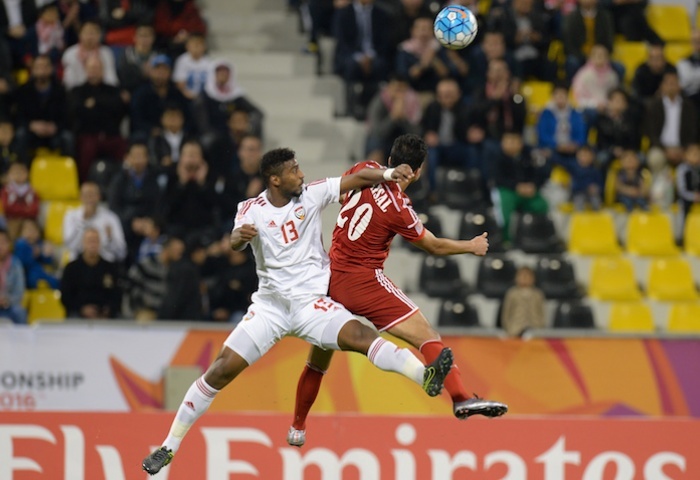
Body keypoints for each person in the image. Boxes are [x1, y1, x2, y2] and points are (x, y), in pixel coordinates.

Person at [141, 146, 455, 475]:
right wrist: (238, 237)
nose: (301, 174)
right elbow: (235, 240)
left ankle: (424, 376)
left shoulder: (312, 194)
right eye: (293, 170)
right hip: (270, 309)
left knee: (362, 336)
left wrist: (389, 173)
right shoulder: (250, 209)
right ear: (275, 179)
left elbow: (359, 178)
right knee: (219, 370)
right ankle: (168, 446)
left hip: (311, 304)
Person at [286, 134, 508, 448]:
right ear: (417, 172)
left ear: (390, 160)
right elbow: (433, 246)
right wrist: (470, 246)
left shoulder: (363, 169)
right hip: (363, 281)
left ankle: (297, 427)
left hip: (329, 277)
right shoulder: (399, 208)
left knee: (318, 359)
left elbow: (341, 195)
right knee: (426, 335)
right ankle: (460, 397)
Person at [60, 227, 121, 318]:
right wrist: (81, 309)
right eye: (89, 240)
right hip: (78, 313)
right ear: (83, 243)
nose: (93, 244)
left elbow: (117, 294)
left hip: (105, 315)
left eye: (95, 240)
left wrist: (108, 310)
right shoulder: (71, 268)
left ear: (100, 243)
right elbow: (65, 296)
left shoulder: (110, 268)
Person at [63, 181, 127, 263]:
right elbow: (70, 247)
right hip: (79, 264)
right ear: (80, 197)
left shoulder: (111, 218)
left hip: (105, 265)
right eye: (86, 195)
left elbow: (122, 254)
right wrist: (83, 221)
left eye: (92, 194)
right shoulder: (71, 216)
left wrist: (110, 239)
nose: (89, 198)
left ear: (99, 196)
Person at [500, 265, 545, 337]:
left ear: (533, 278)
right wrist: (509, 328)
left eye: (527, 276)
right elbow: (506, 313)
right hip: (515, 329)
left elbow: (541, 312)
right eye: (522, 275)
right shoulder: (512, 293)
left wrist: (540, 325)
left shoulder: (537, 294)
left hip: (535, 329)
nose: (524, 278)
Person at [1, 162, 40, 239]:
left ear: (27, 174)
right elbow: (7, 208)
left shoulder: (32, 191)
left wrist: (19, 211)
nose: (18, 175)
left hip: (28, 219)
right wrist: (25, 210)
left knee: (30, 226)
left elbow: (34, 210)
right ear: (9, 175)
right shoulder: (6, 191)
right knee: (12, 226)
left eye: (21, 173)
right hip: (11, 219)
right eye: (15, 173)